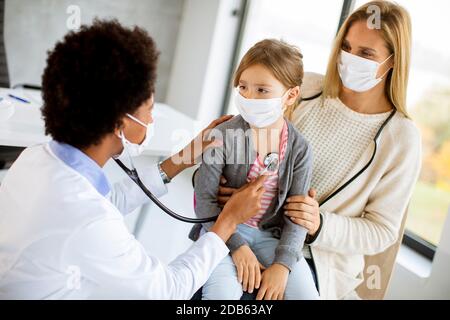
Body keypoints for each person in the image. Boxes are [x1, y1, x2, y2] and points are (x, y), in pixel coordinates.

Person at [0, 20, 267, 299]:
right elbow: (168, 290)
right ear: (120, 124)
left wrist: (181, 159)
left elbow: (104, 205)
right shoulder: (88, 219)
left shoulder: (35, 159)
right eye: (149, 109)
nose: (152, 119)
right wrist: (229, 220)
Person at [214, 1, 422, 299]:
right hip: (253, 226)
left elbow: (382, 231)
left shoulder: (401, 137)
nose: (350, 59)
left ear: (393, 61)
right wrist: (226, 188)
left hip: (315, 256)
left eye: (366, 53)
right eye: (346, 47)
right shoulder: (305, 89)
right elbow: (240, 143)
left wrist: (319, 224)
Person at [191, 39, 318, 300]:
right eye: (243, 87)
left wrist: (282, 266)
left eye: (262, 90)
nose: (249, 97)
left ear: (290, 95)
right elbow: (204, 201)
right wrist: (237, 247)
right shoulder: (223, 135)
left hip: (272, 237)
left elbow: (296, 217)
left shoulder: (300, 149)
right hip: (223, 231)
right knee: (221, 295)